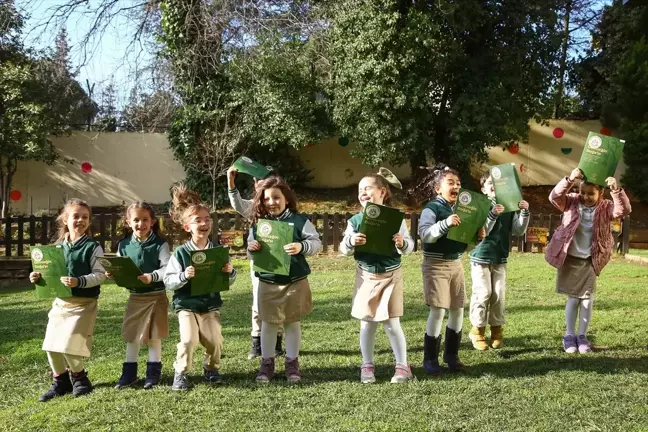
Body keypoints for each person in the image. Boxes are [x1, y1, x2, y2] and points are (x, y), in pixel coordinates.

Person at [339, 169, 415, 383]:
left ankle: (402, 366)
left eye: (368, 188)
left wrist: (402, 243)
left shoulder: (395, 218)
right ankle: (367, 366)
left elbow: (409, 247)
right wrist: (351, 242)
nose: (363, 193)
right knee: (367, 323)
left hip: (391, 275)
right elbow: (343, 249)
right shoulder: (355, 221)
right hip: (366, 277)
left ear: (382, 192)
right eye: (360, 190)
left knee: (392, 323)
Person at [545, 168, 631, 354]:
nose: (585, 196)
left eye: (591, 194)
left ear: (601, 193)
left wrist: (617, 190)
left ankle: (582, 337)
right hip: (570, 258)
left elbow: (623, 210)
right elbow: (554, 196)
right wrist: (570, 179)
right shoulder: (571, 201)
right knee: (573, 298)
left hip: (591, 259)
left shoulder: (606, 206)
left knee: (587, 300)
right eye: (583, 192)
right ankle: (569, 335)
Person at [30, 199, 106, 401]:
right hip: (61, 303)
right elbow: (49, 274)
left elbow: (100, 275)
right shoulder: (56, 248)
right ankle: (60, 382)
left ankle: (80, 380)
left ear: (89, 221)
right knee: (51, 346)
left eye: (85, 217)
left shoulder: (92, 247)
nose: (80, 220)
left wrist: (78, 281)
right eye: (76, 216)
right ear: (65, 219)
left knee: (70, 347)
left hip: (84, 304)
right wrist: (38, 278)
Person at [247, 175, 321, 383]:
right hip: (268, 281)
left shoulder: (300, 221)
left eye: (276, 197)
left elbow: (316, 243)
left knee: (292, 322)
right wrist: (252, 249)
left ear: (286, 198)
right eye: (267, 199)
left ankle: (292, 364)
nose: (272, 202)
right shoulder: (259, 225)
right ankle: (267, 363)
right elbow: (251, 251)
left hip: (294, 281)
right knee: (268, 324)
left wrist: (301, 247)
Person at [164, 184, 237, 391]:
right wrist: (183, 276)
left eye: (207, 219)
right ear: (187, 227)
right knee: (188, 340)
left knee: (215, 341)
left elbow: (228, 281)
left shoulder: (217, 252)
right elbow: (169, 281)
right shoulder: (180, 253)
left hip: (209, 305)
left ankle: (211, 369)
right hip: (186, 305)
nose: (204, 223)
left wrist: (229, 272)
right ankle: (181, 373)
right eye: (198, 220)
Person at [110, 201, 170, 389]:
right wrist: (114, 273)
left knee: (154, 335)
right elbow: (122, 269)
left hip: (156, 295)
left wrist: (151, 277)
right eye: (136, 220)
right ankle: (129, 374)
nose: (141, 224)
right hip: (135, 297)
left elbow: (167, 269)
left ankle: (153, 374)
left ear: (152, 221)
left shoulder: (161, 244)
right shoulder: (123, 245)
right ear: (128, 222)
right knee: (132, 335)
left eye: (145, 220)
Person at [468, 172, 530, 350]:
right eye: (489, 183)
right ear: (483, 188)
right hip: (480, 256)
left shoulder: (509, 205)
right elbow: (481, 231)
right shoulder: (482, 204)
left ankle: (496, 331)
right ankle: (477, 331)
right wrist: (492, 214)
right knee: (483, 293)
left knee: (498, 294)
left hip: (500, 257)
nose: (493, 185)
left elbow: (518, 230)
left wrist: (524, 212)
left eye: (496, 182)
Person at [227, 166, 283, 359]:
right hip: (259, 262)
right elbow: (237, 204)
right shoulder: (255, 207)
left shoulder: (283, 207)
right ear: (255, 183)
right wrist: (231, 183)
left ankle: (276, 341)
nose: (262, 184)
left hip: (280, 262)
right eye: (259, 181)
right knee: (258, 301)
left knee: (279, 301)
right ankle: (256, 341)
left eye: (266, 180)